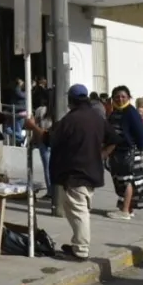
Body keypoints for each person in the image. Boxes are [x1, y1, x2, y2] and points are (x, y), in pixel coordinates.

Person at [25, 84, 120, 261]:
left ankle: (81, 249)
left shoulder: (70, 120)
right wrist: (102, 155)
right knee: (75, 208)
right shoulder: (97, 117)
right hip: (91, 170)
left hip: (77, 172)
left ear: (71, 101)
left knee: (78, 211)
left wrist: (33, 126)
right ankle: (78, 243)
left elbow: (49, 139)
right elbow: (114, 139)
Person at [107, 86, 143, 219]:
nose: (120, 99)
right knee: (121, 180)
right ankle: (127, 208)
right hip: (117, 152)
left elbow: (140, 134)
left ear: (128, 98)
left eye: (123, 96)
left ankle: (125, 211)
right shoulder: (115, 112)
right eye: (117, 97)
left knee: (127, 180)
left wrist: (137, 147)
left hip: (128, 152)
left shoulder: (130, 112)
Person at [32, 103, 54, 199]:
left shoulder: (40, 110)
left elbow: (35, 126)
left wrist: (33, 141)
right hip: (55, 141)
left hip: (43, 141)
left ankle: (50, 192)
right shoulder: (58, 107)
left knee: (47, 168)